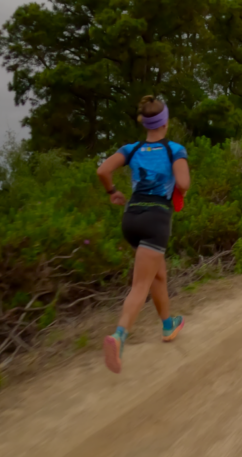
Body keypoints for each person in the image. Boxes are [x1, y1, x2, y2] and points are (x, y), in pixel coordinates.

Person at [95, 95, 190, 374]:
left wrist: (112, 192)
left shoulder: (131, 148)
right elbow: (183, 183)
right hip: (156, 220)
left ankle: (168, 325)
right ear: (166, 122)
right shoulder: (175, 149)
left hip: (131, 219)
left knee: (157, 275)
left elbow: (102, 170)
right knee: (141, 285)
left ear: (145, 123)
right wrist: (178, 188)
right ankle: (118, 336)